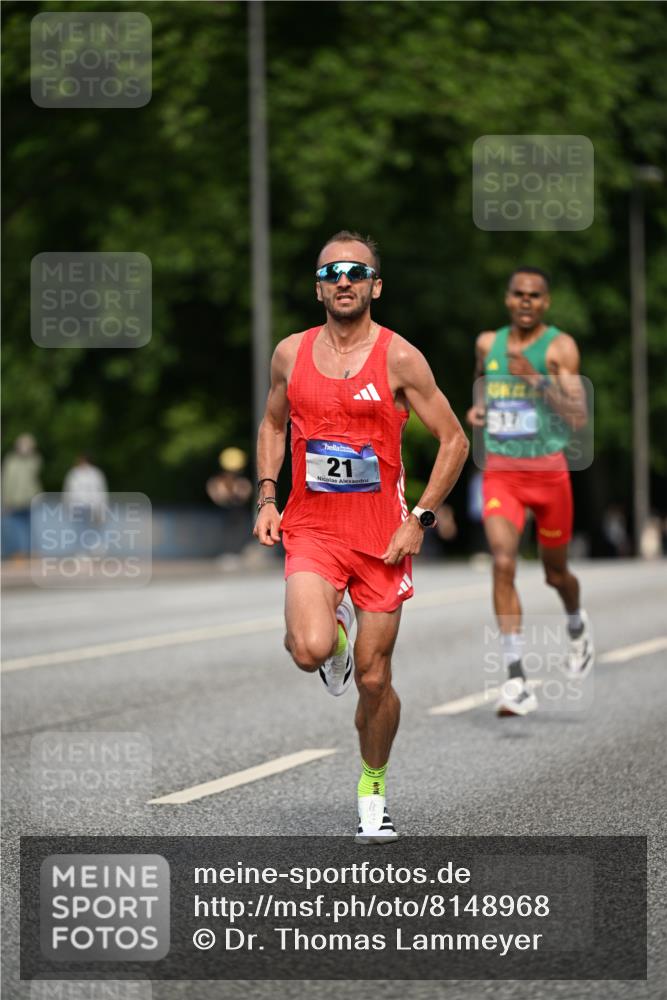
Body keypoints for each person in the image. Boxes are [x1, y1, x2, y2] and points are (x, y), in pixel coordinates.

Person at [254, 230, 468, 842]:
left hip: (382, 537)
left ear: (375, 285)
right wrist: (268, 496)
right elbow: (272, 424)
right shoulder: (290, 354)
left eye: (355, 271)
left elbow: (454, 440)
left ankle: (373, 784)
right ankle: (335, 639)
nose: (343, 280)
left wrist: (420, 517)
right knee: (308, 649)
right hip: (312, 529)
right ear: (318, 286)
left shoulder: (400, 358)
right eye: (331, 272)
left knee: (375, 681)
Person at [466, 266, 594, 717]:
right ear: (507, 299)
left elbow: (578, 416)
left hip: (549, 474)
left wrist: (537, 382)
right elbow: (484, 385)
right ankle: (516, 678)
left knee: (555, 575)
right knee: (503, 561)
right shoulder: (488, 343)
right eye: (518, 294)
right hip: (502, 471)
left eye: (535, 296)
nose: (526, 301)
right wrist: (479, 410)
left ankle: (576, 625)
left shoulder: (559, 348)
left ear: (546, 302)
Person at [1, 433, 43, 558]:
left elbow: (35, 468)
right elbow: (6, 480)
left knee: (31, 527)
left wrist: (29, 453)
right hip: (15, 501)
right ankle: (20, 552)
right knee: (16, 527)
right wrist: (6, 499)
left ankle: (31, 552)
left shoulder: (33, 460)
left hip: (30, 500)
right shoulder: (10, 461)